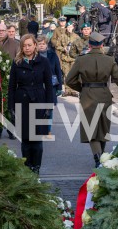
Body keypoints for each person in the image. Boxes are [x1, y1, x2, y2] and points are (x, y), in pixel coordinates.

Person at [65, 32, 118, 167]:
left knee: (91, 130)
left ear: (90, 45)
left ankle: (98, 158)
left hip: (87, 96)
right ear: (102, 45)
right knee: (103, 130)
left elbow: (69, 80)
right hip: (104, 95)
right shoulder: (109, 60)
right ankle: (102, 157)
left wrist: (82, 89)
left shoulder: (81, 60)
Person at [8, 34, 53, 174]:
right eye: (24, 45)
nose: (27, 48)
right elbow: (11, 86)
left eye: (29, 45)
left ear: (35, 45)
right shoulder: (17, 62)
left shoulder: (43, 62)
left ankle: (36, 168)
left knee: (37, 140)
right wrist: (11, 107)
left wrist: (48, 107)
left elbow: (49, 86)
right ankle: (27, 168)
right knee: (26, 140)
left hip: (39, 101)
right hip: (22, 102)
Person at [37, 35, 62, 136]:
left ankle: (48, 129)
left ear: (46, 44)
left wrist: (59, 87)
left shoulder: (52, 55)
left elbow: (58, 71)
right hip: (38, 85)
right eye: (39, 44)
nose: (41, 46)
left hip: (51, 85)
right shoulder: (34, 55)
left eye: (43, 44)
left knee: (49, 108)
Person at [56, 22, 80, 97]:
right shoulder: (62, 36)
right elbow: (57, 46)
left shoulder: (76, 37)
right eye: (68, 27)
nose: (69, 28)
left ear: (73, 27)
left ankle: (73, 90)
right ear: (66, 28)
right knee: (66, 74)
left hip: (73, 59)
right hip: (65, 58)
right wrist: (63, 49)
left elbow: (80, 47)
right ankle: (67, 90)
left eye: (71, 27)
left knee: (74, 75)